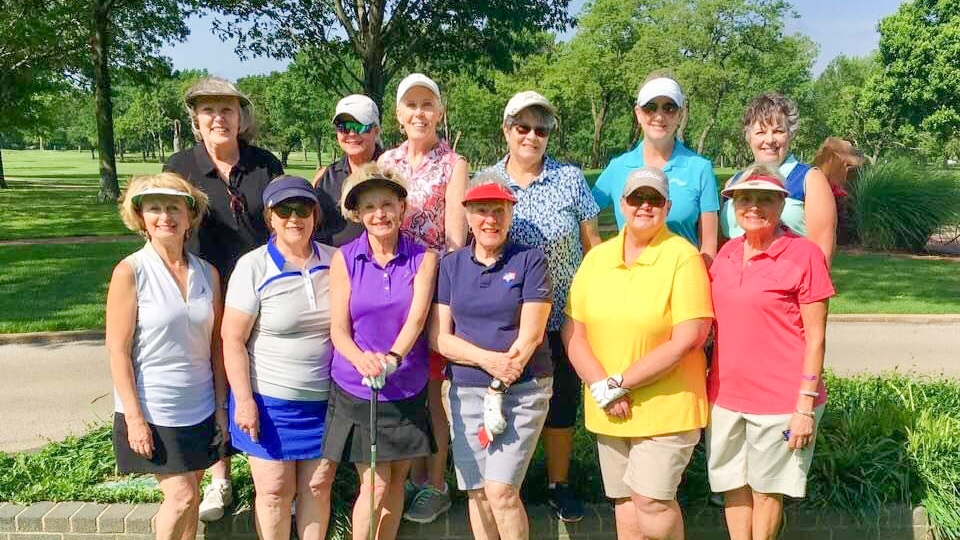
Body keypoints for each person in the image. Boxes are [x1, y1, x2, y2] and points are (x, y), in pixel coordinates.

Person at [565, 167, 714, 540]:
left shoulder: (683, 256)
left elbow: (687, 338)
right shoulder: (597, 258)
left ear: (667, 206)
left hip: (667, 408)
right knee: (626, 504)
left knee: (651, 502)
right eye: (636, 198)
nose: (644, 206)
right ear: (622, 203)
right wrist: (601, 385)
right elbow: (573, 329)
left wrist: (620, 383)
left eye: (654, 200)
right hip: (609, 407)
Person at [164, 76, 283, 520]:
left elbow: (281, 221)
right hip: (203, 286)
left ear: (241, 117)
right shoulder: (181, 167)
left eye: (227, 109)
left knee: (256, 373)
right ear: (196, 119)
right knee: (212, 374)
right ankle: (220, 476)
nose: (219, 117)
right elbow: (165, 224)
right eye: (209, 110)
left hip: (261, 288)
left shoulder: (263, 164)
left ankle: (268, 470)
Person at [482, 90, 601, 522]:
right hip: (505, 318)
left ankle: (558, 482)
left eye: (542, 129)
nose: (532, 136)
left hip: (561, 317)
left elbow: (593, 244)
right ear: (506, 130)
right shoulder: (486, 180)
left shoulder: (569, 178)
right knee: (502, 396)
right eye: (523, 127)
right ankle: (502, 480)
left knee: (561, 402)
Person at [707, 164, 835, 540]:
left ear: (782, 203)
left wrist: (804, 406)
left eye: (766, 198)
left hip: (782, 401)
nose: (754, 207)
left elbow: (816, 337)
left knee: (767, 490)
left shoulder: (804, 254)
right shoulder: (727, 254)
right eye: (745, 198)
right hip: (725, 397)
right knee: (732, 484)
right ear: (732, 205)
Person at [430, 173, 553, 540]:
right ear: (467, 216)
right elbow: (439, 338)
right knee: (478, 491)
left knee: (501, 490)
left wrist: (503, 374)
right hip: (465, 391)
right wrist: (488, 360)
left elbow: (531, 334)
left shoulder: (530, 260)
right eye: (481, 211)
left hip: (521, 389)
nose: (490, 220)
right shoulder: (451, 266)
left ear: (510, 215)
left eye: (499, 211)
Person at [323, 163, 439, 540]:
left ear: (402, 208)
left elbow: (417, 320)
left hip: (405, 385)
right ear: (358, 214)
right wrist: (362, 359)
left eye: (388, 204)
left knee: (394, 484)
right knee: (373, 486)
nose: (380, 214)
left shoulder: (424, 258)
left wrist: (391, 358)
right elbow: (339, 330)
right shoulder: (344, 258)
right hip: (358, 390)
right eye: (370, 207)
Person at [106, 173, 225, 540]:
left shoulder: (209, 273)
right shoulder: (131, 271)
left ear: (190, 215)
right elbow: (117, 350)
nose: (165, 216)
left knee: (189, 503)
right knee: (181, 497)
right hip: (154, 409)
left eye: (174, 207)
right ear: (141, 217)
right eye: (154, 208)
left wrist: (221, 406)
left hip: (201, 406)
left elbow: (216, 347)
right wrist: (135, 418)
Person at [221, 176, 337, 540]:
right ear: (269, 217)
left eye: (302, 209)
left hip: (326, 402)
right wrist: (243, 401)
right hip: (268, 403)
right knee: (273, 492)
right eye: (283, 210)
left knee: (317, 488)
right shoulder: (252, 267)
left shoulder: (336, 261)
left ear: (314, 215)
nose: (293, 218)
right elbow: (232, 339)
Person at [378, 72, 469, 523]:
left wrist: (446, 296)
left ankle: (435, 483)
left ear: (440, 112)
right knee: (401, 379)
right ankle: (407, 477)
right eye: (410, 105)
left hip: (432, 289)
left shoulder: (454, 164)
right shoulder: (385, 160)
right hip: (390, 284)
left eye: (427, 105)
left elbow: (455, 237)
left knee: (432, 389)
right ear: (398, 114)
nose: (419, 113)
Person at [593, 75, 720, 264]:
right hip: (630, 282)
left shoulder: (700, 168)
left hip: (682, 280)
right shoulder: (617, 167)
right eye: (650, 108)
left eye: (669, 108)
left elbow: (708, 247)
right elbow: (583, 214)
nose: (659, 116)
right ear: (638, 113)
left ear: (680, 114)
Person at [720, 93, 838, 265]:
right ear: (749, 137)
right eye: (761, 132)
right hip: (735, 285)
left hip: (786, 285)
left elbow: (821, 257)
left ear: (790, 134)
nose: (770, 140)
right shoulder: (733, 183)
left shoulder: (809, 180)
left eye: (778, 131)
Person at [313, 94, 384, 247]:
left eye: (360, 126)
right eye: (343, 127)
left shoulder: (392, 171)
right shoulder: (324, 177)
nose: (351, 133)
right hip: (330, 265)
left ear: (376, 130)